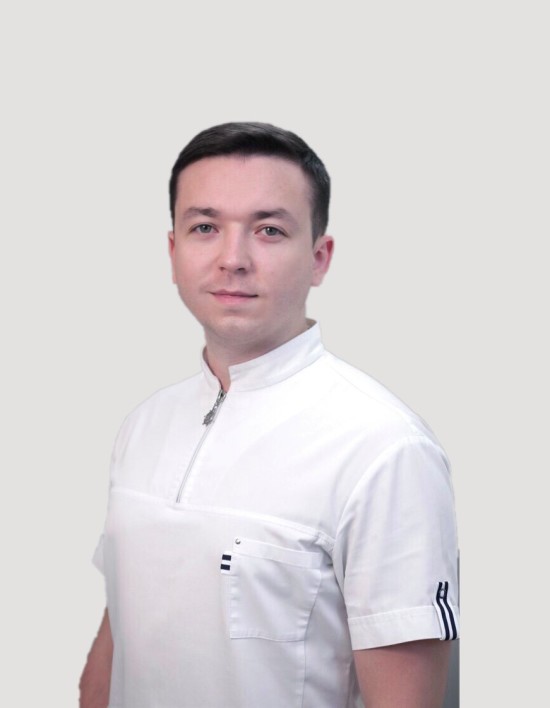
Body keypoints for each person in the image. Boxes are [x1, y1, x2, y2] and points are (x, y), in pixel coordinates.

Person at [80, 122, 459, 708]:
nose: (233, 259)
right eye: (205, 227)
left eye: (269, 230)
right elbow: (117, 641)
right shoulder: (143, 425)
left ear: (319, 258)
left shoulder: (385, 449)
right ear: (174, 252)